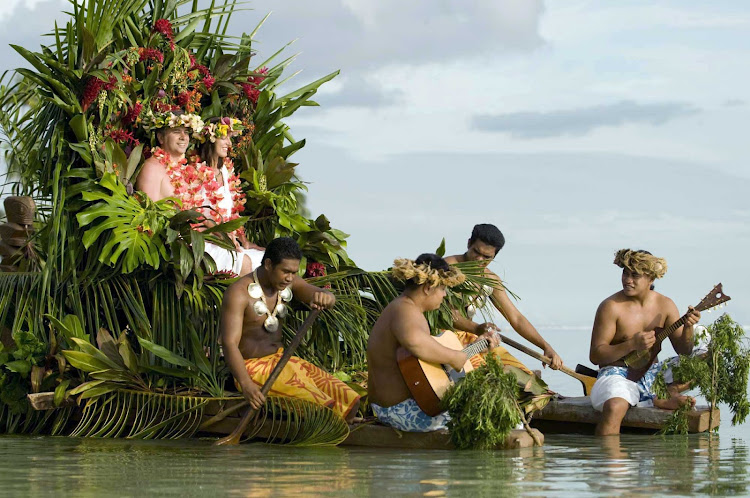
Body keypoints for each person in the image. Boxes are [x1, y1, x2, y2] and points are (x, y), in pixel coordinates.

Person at [220, 237, 361, 423]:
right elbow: (229, 343)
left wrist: (326, 297)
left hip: (283, 361)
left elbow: (316, 292)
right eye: (285, 271)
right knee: (322, 407)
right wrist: (246, 385)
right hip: (252, 369)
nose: (289, 277)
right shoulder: (238, 293)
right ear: (269, 264)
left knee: (351, 401)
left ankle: (342, 430)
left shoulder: (288, 283)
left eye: (294, 273)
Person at [367, 254, 499, 432]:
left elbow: (429, 359)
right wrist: (454, 357)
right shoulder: (405, 310)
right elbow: (416, 343)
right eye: (443, 288)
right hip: (400, 411)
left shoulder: (408, 309)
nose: (445, 295)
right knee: (487, 420)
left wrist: (475, 347)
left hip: (406, 407)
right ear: (428, 288)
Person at [589, 249, 701, 436]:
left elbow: (685, 351)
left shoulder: (665, 305)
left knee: (705, 359)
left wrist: (688, 327)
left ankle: (664, 393)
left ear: (651, 279)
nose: (627, 279)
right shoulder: (611, 306)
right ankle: (611, 462)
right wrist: (630, 344)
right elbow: (595, 355)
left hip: (653, 373)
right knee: (615, 407)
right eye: (625, 272)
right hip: (618, 374)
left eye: (635, 275)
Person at [444, 223, 563, 373]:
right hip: (442, 338)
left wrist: (546, 347)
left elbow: (516, 318)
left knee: (518, 372)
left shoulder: (490, 279)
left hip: (473, 339)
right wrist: (477, 328)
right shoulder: (447, 267)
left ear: (495, 256)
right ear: (469, 243)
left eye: (486, 257)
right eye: (476, 252)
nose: (479, 259)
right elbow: (446, 314)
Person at [193, 117, 264, 275]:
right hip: (204, 239)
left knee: (265, 259)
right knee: (244, 263)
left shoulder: (226, 171)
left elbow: (232, 215)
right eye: (224, 137)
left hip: (227, 240)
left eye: (230, 138)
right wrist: (220, 233)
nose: (230, 144)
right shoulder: (195, 171)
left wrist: (244, 241)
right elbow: (192, 212)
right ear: (211, 138)